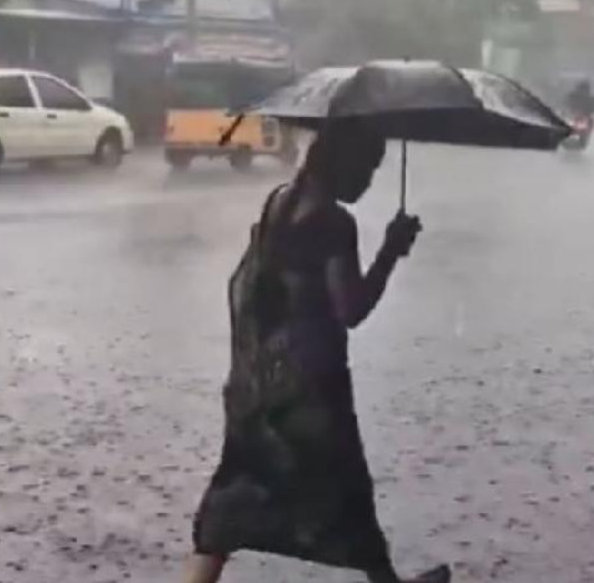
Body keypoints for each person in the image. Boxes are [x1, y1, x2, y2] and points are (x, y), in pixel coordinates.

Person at [184, 119, 451, 583]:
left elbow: (255, 287)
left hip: (258, 386)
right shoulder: (333, 222)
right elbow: (351, 308)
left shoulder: (278, 201)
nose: (369, 179)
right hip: (310, 392)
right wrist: (390, 251)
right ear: (342, 163)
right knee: (346, 493)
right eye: (367, 167)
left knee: (232, 500)